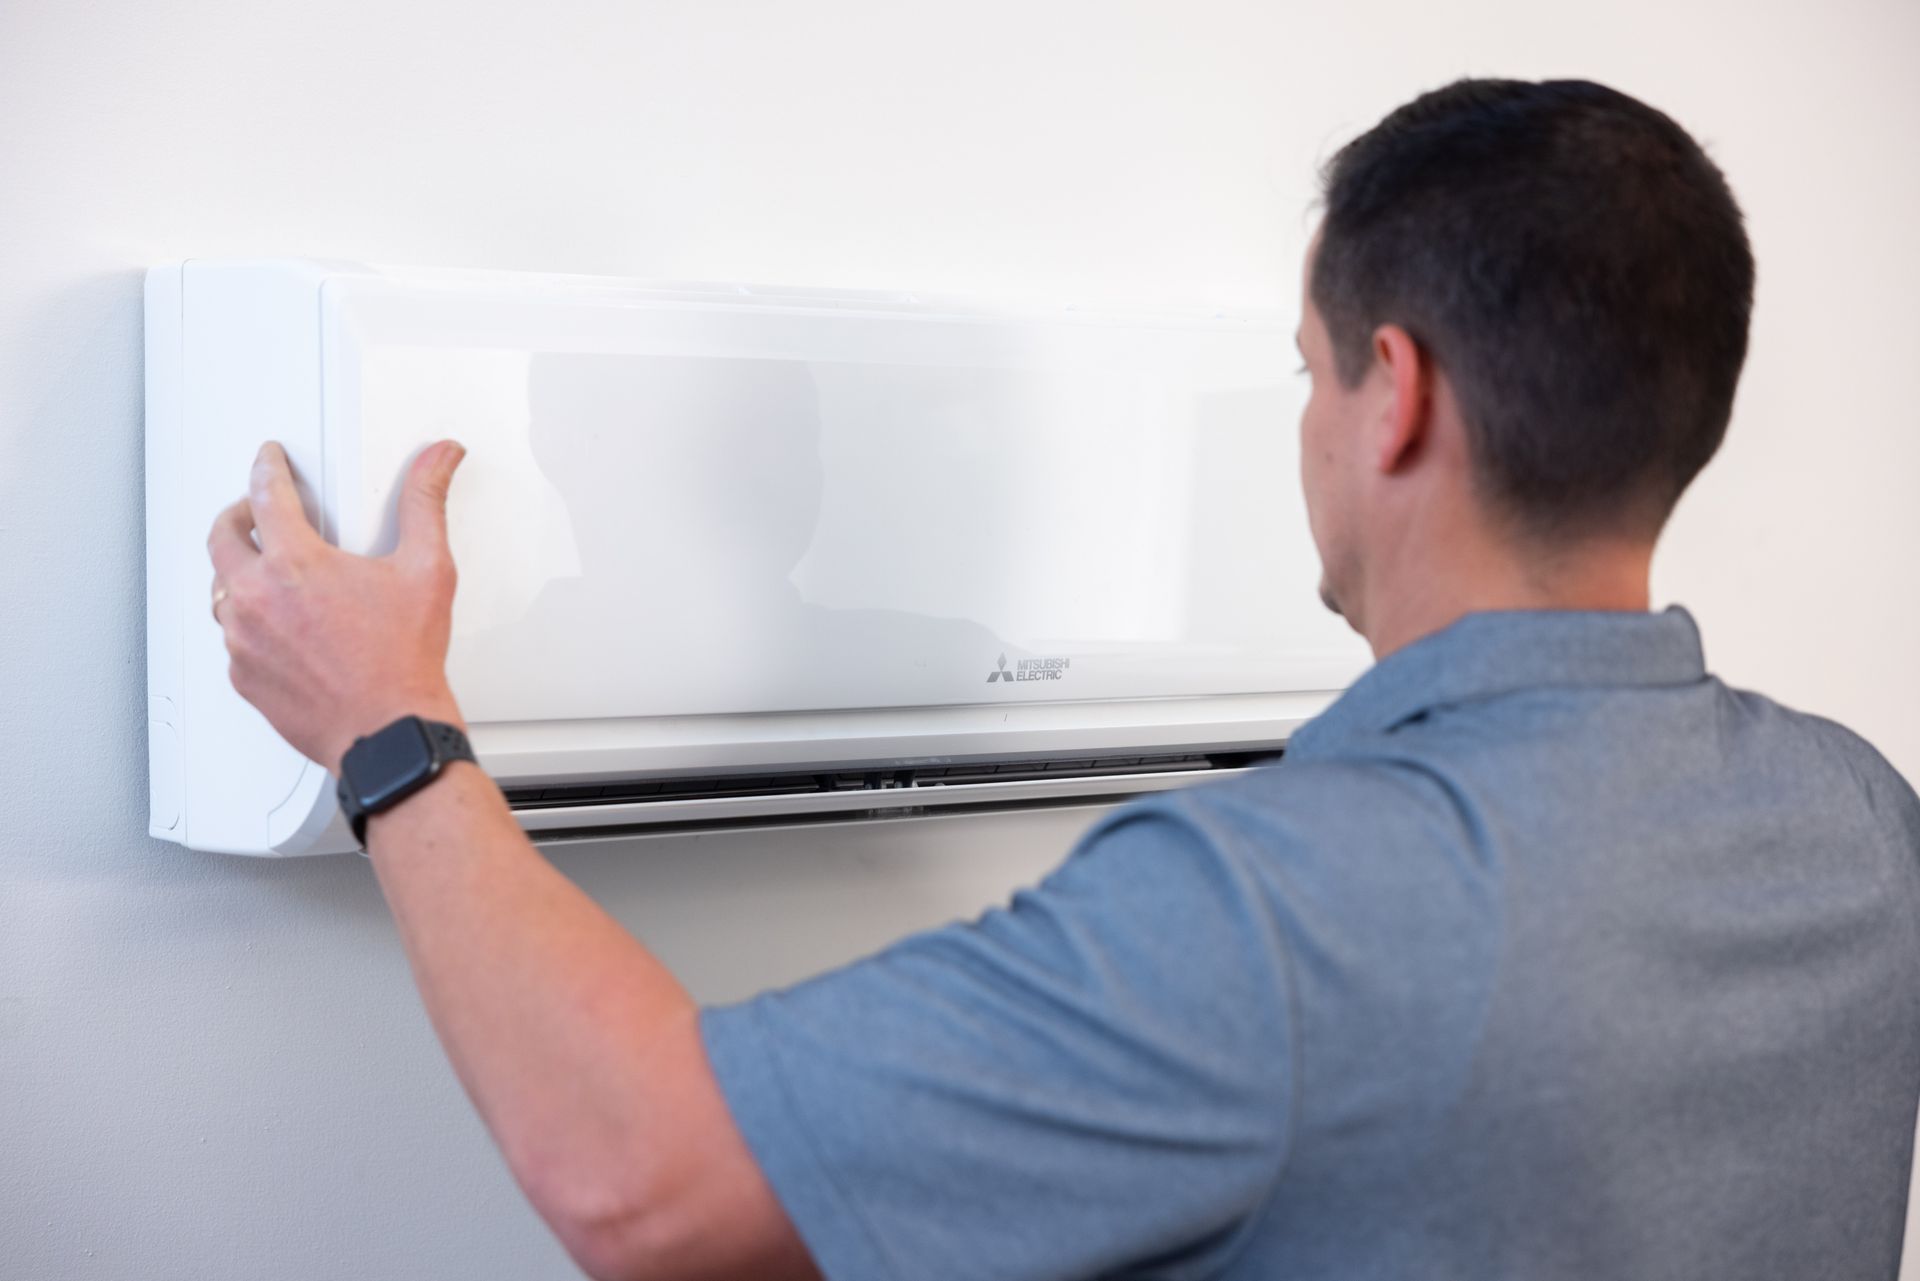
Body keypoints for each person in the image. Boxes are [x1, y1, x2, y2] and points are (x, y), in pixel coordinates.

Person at [205, 77, 1920, 1281]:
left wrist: (388, 730)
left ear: (1392, 397)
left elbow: (638, 1183)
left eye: (1309, 376)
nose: (1310, 427)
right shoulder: (1857, 817)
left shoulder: (1278, 908)